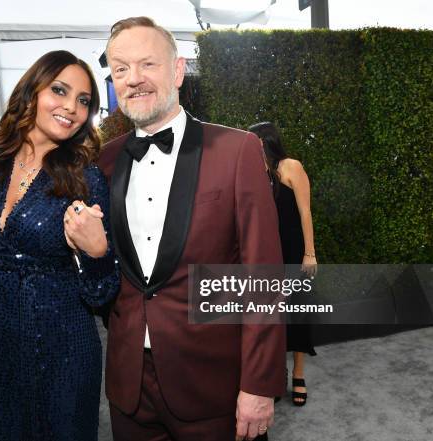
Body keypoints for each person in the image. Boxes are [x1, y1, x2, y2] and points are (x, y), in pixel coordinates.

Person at [97, 17, 285, 441]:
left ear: (178, 70)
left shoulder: (237, 151)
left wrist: (259, 383)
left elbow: (263, 280)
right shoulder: (103, 163)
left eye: (148, 64)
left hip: (213, 384)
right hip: (129, 388)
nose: (134, 79)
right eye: (121, 68)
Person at [0, 50, 120, 441]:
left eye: (84, 101)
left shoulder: (86, 180)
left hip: (62, 354)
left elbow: (102, 293)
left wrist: (98, 254)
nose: (72, 107)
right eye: (60, 90)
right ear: (30, 92)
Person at [249, 121, 318, 407]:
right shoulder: (254, 174)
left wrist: (310, 253)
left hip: (294, 252)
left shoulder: (291, 167)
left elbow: (305, 213)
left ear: (266, 142)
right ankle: (278, 374)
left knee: (298, 315)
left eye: (253, 142)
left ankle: (298, 374)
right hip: (268, 256)